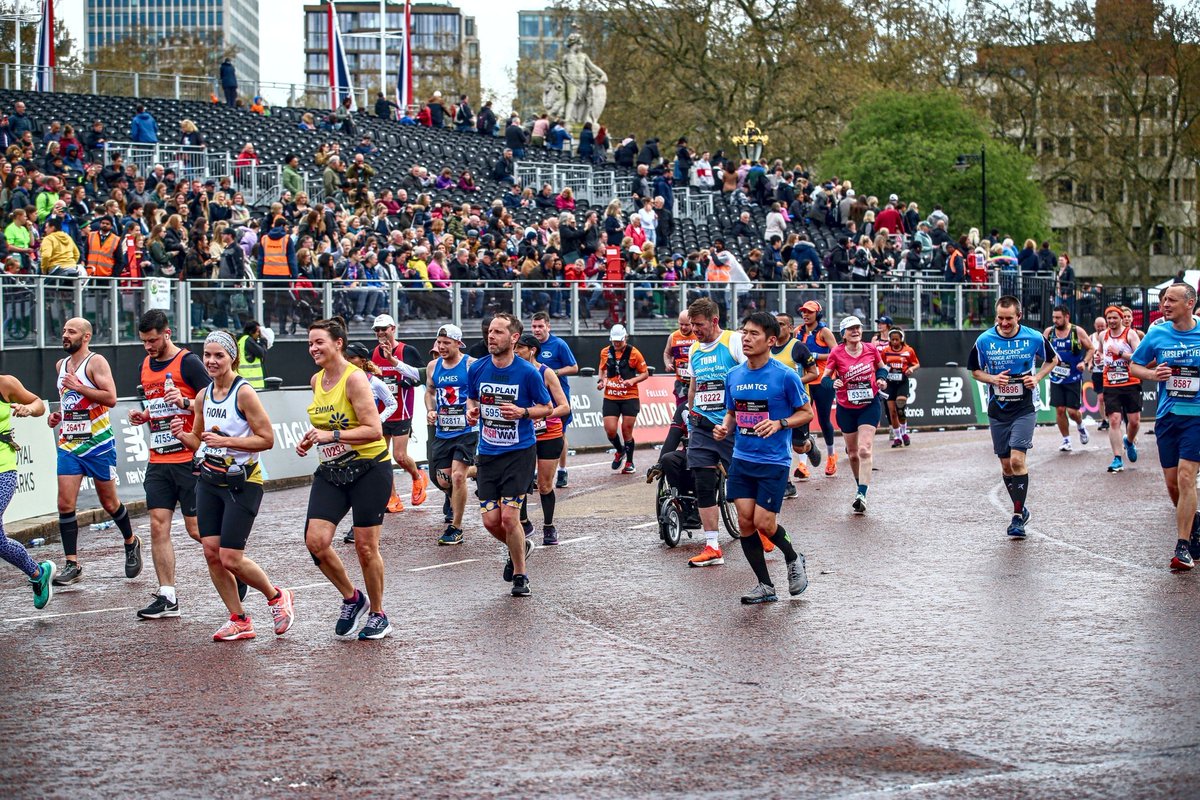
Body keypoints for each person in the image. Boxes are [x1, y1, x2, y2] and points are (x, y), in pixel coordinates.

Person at [170, 331, 295, 641]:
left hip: (243, 481)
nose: (212, 361)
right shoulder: (202, 396)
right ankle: (239, 619)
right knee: (212, 553)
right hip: (209, 480)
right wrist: (182, 435)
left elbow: (267, 439)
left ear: (231, 358)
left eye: (218, 356)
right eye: (207, 355)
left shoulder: (244, 393)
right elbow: (198, 440)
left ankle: (276, 596)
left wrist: (227, 441)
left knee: (231, 558)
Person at [298, 317, 393, 640]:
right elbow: (323, 427)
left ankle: (379, 614)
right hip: (332, 470)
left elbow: (373, 430)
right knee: (316, 541)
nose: (313, 349)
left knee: (366, 547)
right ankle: (353, 598)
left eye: (319, 342)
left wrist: (332, 435)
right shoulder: (315, 380)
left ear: (338, 343)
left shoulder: (355, 380)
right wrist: (311, 439)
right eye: (310, 343)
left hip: (369, 469)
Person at [714, 312, 813, 604]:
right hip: (742, 458)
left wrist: (780, 424)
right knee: (745, 522)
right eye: (744, 332)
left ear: (771, 340)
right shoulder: (734, 375)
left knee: (764, 523)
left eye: (754, 334)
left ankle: (794, 557)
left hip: (774, 461)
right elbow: (732, 412)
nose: (746, 338)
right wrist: (724, 427)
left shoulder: (785, 376)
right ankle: (765, 586)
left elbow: (806, 413)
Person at [126, 310, 211, 618]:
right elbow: (156, 405)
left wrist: (186, 403)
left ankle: (234, 565)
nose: (148, 347)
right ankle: (168, 596)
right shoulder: (144, 365)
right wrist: (145, 416)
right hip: (158, 459)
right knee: (157, 525)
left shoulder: (188, 362)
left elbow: (212, 399)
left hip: (189, 458)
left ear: (167, 333)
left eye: (152, 340)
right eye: (144, 342)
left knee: (196, 529)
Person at [49, 318, 142, 588]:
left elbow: (110, 398)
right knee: (65, 504)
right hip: (69, 444)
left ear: (86, 336)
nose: (65, 335)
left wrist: (79, 386)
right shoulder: (61, 366)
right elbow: (70, 404)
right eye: (64, 330)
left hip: (99, 445)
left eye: (71, 332)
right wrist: (57, 417)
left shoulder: (96, 362)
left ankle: (131, 542)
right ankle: (72, 564)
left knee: (110, 503)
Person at [466, 313, 552, 597]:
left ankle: (520, 575)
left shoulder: (527, 372)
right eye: (490, 331)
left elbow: (547, 408)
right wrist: (471, 411)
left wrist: (523, 412)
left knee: (509, 519)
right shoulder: (477, 368)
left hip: (519, 452)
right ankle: (520, 547)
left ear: (514, 338)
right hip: (488, 453)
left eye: (499, 332)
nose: (491, 336)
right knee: (490, 521)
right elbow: (472, 397)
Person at [968, 296, 1059, 538]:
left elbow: (1053, 360)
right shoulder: (984, 340)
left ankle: (1017, 516)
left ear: (1019, 316)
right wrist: (993, 379)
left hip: (1025, 407)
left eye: (1009, 318)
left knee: (1018, 460)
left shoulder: (1034, 337)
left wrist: (1037, 378)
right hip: (998, 408)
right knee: (1006, 465)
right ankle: (1021, 508)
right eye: (1000, 318)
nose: (1004, 323)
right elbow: (975, 370)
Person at [1130, 282, 1200, 570]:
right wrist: (1151, 373)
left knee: (1186, 477)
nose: (1165, 305)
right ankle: (1194, 525)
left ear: (1190, 303)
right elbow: (1134, 366)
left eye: (1172, 300)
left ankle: (1182, 545)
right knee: (1173, 484)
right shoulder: (1157, 333)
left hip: (1196, 416)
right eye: (1164, 301)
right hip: (1168, 416)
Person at [685, 298, 746, 567]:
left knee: (742, 483)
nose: (694, 330)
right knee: (703, 482)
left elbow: (750, 376)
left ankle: (759, 530)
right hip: (702, 426)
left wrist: (735, 419)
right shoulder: (694, 349)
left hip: (733, 426)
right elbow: (694, 386)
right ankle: (712, 546)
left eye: (698, 325)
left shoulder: (733, 341)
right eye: (691, 325)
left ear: (714, 321)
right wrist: (690, 416)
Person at [0, 372, 56, 608]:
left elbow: (37, 404)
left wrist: (28, 410)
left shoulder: (5, 383)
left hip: (3, 469)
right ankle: (37, 573)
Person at [823, 316, 886, 514]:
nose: (856, 331)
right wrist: (833, 383)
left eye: (858, 327)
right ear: (843, 334)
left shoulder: (870, 349)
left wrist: (882, 380)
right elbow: (825, 378)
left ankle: (861, 493)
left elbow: (881, 368)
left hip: (870, 404)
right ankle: (861, 485)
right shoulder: (836, 353)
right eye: (851, 329)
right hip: (846, 406)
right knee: (852, 454)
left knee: (864, 450)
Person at [516, 333, 571, 546]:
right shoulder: (514, 371)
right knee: (520, 482)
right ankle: (524, 522)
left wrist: (540, 414)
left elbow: (564, 406)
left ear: (532, 350)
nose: (515, 351)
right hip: (522, 435)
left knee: (545, 485)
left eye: (520, 348)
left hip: (549, 434)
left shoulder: (546, 372)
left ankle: (549, 526)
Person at [342, 343, 399, 544]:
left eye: (352, 358)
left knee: (364, 483)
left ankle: (359, 527)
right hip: (348, 438)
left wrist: (378, 420)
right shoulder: (342, 380)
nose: (348, 361)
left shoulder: (374, 382)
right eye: (346, 358)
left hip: (368, 437)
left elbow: (393, 403)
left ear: (363, 360)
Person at [371, 314, 429, 511]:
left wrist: (407, 381)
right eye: (377, 330)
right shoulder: (374, 353)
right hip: (381, 412)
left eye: (383, 329)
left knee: (400, 456)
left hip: (402, 410)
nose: (380, 333)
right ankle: (393, 498)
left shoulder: (407, 350)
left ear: (393, 328)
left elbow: (422, 375)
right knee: (381, 457)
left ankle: (417, 476)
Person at [424, 325, 476, 546]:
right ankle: (478, 471)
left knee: (456, 477)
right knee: (442, 479)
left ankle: (456, 527)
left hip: (466, 430)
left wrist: (474, 410)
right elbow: (430, 391)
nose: (442, 347)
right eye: (439, 342)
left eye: (446, 342)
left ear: (458, 343)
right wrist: (430, 409)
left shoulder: (471, 364)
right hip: (443, 431)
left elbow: (479, 392)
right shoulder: (433, 366)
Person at [768, 311, 821, 491]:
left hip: (798, 403)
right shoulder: (767, 347)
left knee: (798, 447)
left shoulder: (798, 347)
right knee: (777, 443)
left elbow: (814, 373)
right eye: (775, 324)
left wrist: (792, 382)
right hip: (775, 403)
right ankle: (787, 484)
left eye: (782, 324)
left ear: (791, 328)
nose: (778, 327)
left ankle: (810, 444)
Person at [530, 312, 579, 489]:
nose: (537, 330)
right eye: (534, 326)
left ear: (548, 327)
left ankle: (562, 470)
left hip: (558, 399)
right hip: (537, 401)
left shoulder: (558, 344)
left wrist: (552, 373)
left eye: (540, 326)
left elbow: (574, 367)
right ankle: (536, 471)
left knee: (560, 435)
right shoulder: (527, 347)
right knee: (535, 434)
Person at [597, 323, 649, 474]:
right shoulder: (605, 352)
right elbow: (602, 369)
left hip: (629, 397)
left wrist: (632, 381)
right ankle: (620, 451)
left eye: (619, 341)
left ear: (625, 338)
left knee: (626, 429)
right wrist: (601, 381)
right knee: (610, 430)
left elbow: (645, 373)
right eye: (614, 341)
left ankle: (630, 462)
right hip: (611, 396)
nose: (617, 344)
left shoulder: (634, 353)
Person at [1098, 305, 1143, 473]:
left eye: (1114, 318)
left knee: (1134, 421)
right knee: (1114, 420)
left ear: (1120, 318)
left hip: (1130, 381)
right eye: (1108, 318)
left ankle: (1129, 441)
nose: (1111, 321)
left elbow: (1139, 356)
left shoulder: (1130, 334)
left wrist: (1121, 353)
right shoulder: (1103, 335)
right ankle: (1117, 458)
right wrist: (1098, 358)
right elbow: (1101, 354)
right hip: (1110, 382)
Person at [1043, 305, 1095, 452]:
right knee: (1060, 410)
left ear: (1067, 317)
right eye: (1053, 317)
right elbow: (1040, 348)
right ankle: (1066, 440)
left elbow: (1091, 348)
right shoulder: (1049, 332)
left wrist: (1083, 362)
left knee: (1072, 412)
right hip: (1056, 378)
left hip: (1073, 377)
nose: (1055, 320)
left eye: (1058, 317)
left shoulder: (1076, 331)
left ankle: (1080, 425)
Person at [798, 300, 840, 476]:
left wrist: (817, 355)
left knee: (823, 420)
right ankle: (802, 465)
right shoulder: (798, 332)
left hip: (823, 381)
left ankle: (831, 456)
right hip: (804, 381)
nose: (806, 315)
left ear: (818, 314)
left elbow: (837, 353)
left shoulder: (824, 332)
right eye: (803, 312)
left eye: (809, 312)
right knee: (802, 420)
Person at [879, 329, 920, 448]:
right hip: (890, 383)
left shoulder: (908, 350)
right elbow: (881, 364)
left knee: (900, 408)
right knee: (892, 412)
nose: (895, 342)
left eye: (897, 339)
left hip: (902, 382)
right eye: (892, 339)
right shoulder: (886, 351)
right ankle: (897, 437)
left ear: (901, 339)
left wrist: (911, 369)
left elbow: (916, 363)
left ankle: (904, 433)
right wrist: (883, 373)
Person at [236, 320, 268, 390]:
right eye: (257, 332)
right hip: (253, 384)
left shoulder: (241, 340)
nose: (259, 334)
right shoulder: (248, 340)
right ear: (251, 332)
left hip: (244, 383)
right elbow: (261, 353)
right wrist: (262, 343)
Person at [1091, 316, 1109, 431]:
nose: (1100, 328)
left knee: (1110, 396)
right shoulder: (1091, 337)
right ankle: (1104, 420)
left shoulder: (1109, 335)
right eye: (1098, 326)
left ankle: (1112, 416)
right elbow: (1089, 352)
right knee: (1101, 397)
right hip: (1097, 372)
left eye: (1102, 326)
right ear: (1095, 326)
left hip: (1109, 371)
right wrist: (1088, 363)